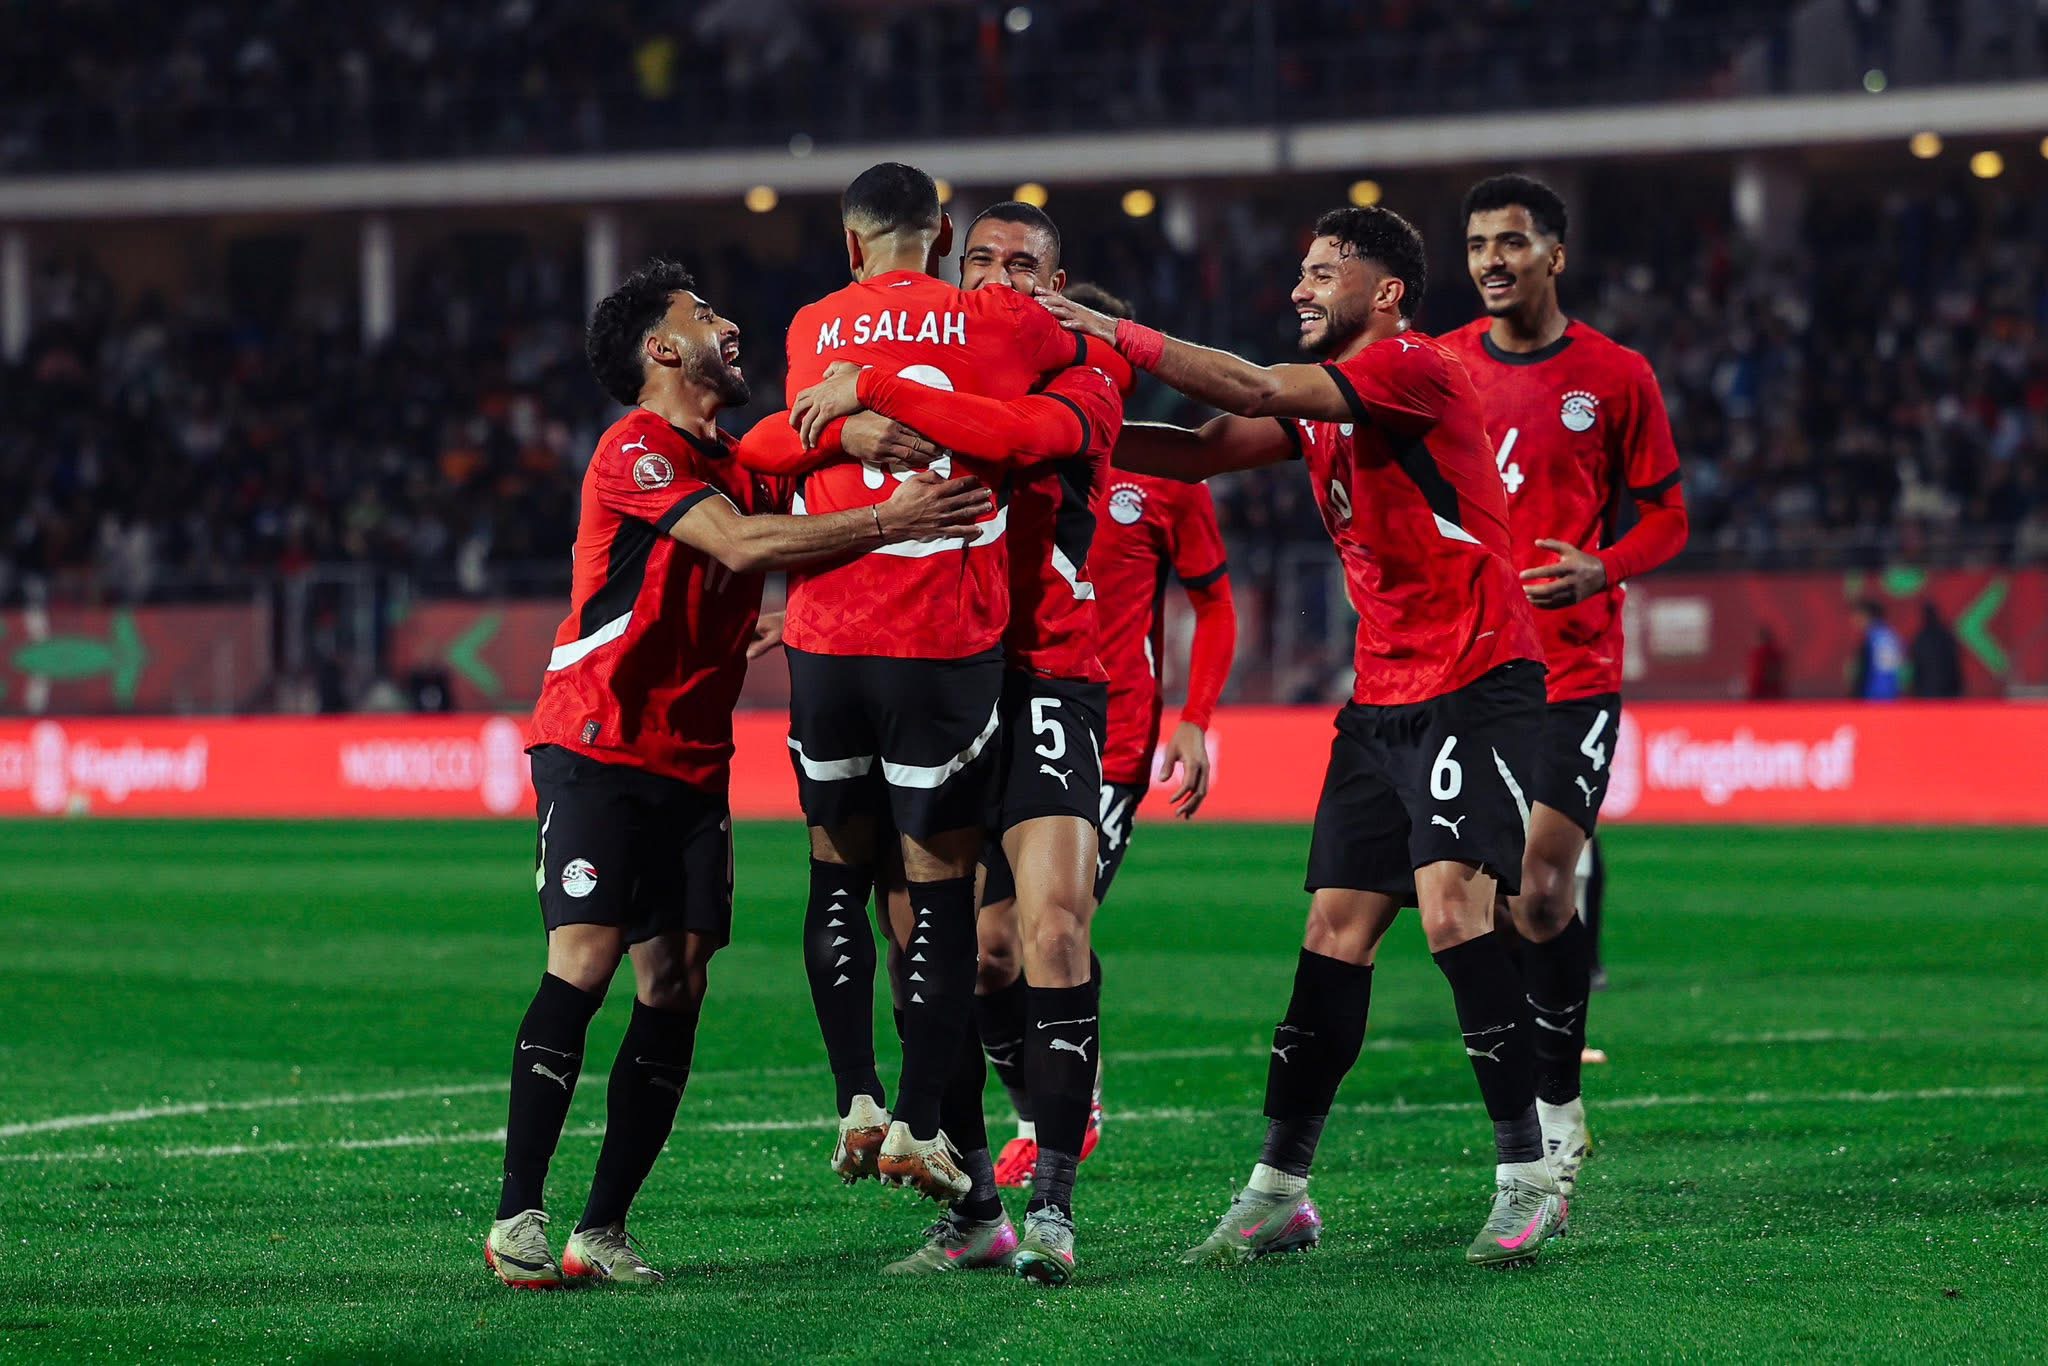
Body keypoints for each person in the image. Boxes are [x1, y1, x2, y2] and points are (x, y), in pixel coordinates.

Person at [1039, 204, 1566, 1267]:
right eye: (1302, 270)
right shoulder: (1329, 397)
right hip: (1381, 697)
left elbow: (1250, 388)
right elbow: (1193, 452)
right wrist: (1042, 435)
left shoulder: (1412, 366)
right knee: (1333, 932)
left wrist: (1108, 332)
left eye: (1323, 272)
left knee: (1452, 912)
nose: (1299, 288)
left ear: (1385, 293)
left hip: (1475, 678)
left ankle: (1531, 1176)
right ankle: (1280, 1192)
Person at [486, 260, 989, 1290]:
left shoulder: (738, 459)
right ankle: (516, 1216)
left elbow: (789, 504)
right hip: (596, 744)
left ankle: (602, 1229)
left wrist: (851, 436)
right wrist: (890, 517)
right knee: (584, 959)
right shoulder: (636, 448)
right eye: (703, 313)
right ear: (662, 349)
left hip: (692, 762)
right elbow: (744, 542)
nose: (729, 326)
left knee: (677, 980)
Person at [784, 201, 1132, 1283]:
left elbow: (1015, 440)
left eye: (1021, 265)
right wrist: (841, 428)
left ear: (1057, 284)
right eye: (979, 260)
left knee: (1052, 930)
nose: (996, 279)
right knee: (938, 942)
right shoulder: (942, 367)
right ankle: (974, 1205)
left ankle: (1054, 1205)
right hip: (936, 666)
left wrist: (870, 392)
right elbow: (799, 450)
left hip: (1045, 674)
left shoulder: (1084, 377)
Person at [734, 163, 1085, 1208]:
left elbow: (766, 447)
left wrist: (844, 421)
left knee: (836, 878)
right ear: (941, 236)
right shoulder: (999, 319)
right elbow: (1078, 359)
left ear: (851, 244)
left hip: (824, 638)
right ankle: (920, 1125)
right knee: (939, 898)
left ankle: (855, 1095)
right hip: (940, 638)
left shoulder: (812, 326)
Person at [1441, 173, 1689, 1202]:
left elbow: (1668, 515)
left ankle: (1556, 1113)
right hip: (1470, 666)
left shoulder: (1615, 376)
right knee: (1495, 902)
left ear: (1554, 253)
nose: (1490, 261)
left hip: (1574, 668)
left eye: (1509, 242)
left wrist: (1604, 567)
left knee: (1545, 889)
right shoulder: (1444, 365)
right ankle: (1537, 1109)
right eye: (1475, 245)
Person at [987, 283, 1239, 1195]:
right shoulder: (1009, 451)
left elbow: (1215, 603)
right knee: (987, 950)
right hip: (1002, 713)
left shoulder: (1163, 476)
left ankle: (1062, 1114)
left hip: (1113, 736)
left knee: (1050, 923)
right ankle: (1037, 1102)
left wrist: (1197, 719)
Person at [1851, 599, 1904, 700]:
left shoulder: (1874, 637)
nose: (1854, 620)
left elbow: (1868, 670)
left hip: (1875, 695)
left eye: (1857, 615)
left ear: (1866, 615)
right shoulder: (1890, 635)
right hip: (1891, 694)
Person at [1909, 601, 1963, 698]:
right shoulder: (1946, 635)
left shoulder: (1922, 638)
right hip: (1947, 690)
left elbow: (1916, 665)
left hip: (1928, 690)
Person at [1747, 625, 1788, 701]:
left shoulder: (1757, 654)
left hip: (1760, 693)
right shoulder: (1776, 654)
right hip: (1773, 694)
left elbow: (1757, 676)